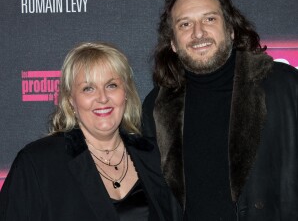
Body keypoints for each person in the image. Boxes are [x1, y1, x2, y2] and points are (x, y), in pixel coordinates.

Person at [142, 0, 298, 220]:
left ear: (231, 29)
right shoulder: (157, 107)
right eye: (185, 24)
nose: (198, 33)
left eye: (209, 19)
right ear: (173, 43)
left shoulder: (286, 87)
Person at [0, 42, 183, 221]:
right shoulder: (38, 163)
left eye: (111, 85)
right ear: (71, 100)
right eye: (88, 89)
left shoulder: (155, 156)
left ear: (125, 93)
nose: (102, 98)